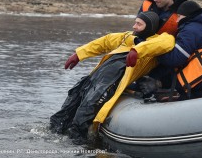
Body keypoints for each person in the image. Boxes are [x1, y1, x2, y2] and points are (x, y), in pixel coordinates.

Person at [49, 11, 175, 143]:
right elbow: (105, 41)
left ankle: (77, 145)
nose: (134, 26)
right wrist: (79, 54)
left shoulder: (162, 39)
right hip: (96, 78)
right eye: (135, 22)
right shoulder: (128, 37)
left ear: (149, 27)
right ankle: (53, 135)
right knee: (69, 104)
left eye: (139, 24)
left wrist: (136, 51)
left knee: (85, 111)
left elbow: (165, 43)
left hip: (111, 83)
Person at [138, 1, 202, 100]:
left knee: (167, 68)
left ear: (186, 15)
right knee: (165, 72)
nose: (177, 20)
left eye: (179, 16)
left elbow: (175, 59)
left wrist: (153, 49)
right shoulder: (201, 27)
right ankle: (158, 84)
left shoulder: (191, 29)